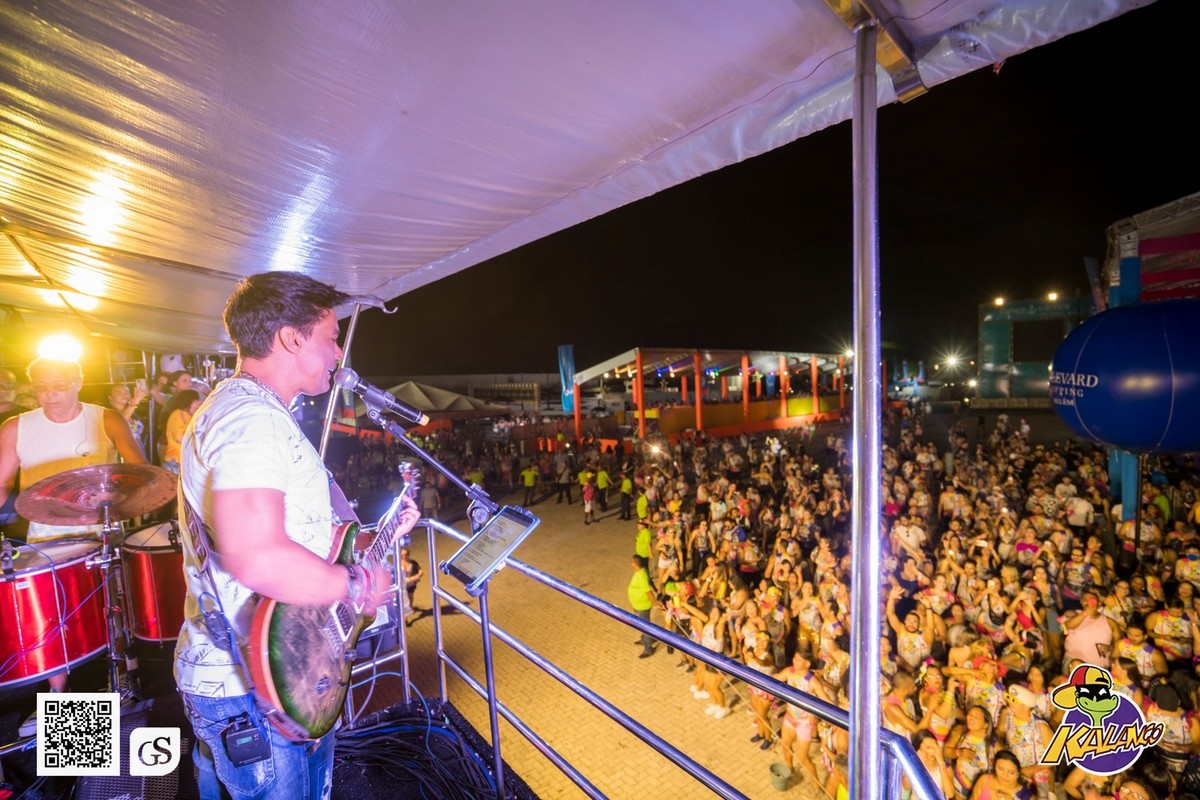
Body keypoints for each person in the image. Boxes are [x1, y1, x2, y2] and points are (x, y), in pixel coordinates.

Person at [173, 271, 418, 800]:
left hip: (279, 675)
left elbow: (295, 537)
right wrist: (356, 586)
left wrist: (375, 537)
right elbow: (259, 556)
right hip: (252, 688)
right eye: (331, 337)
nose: (339, 354)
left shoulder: (256, 413)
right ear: (290, 338)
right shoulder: (250, 419)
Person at [0, 356, 147, 734]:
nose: (49, 395)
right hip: (47, 541)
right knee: (52, 623)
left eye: (59, 386)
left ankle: (124, 687)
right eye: (41, 388)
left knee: (111, 614)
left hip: (99, 535)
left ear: (78, 382)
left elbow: (140, 473)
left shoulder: (106, 419)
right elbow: (1, 483)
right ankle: (61, 703)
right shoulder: (16, 427)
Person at [161, 389, 201, 474]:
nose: (199, 403)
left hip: (183, 463)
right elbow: (179, 437)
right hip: (176, 463)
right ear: (186, 401)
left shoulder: (190, 417)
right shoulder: (178, 414)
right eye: (195, 400)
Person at [628, 554, 657, 658]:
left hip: (642, 606)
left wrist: (655, 603)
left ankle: (648, 649)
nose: (630, 563)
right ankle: (644, 639)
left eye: (631, 561)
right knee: (640, 624)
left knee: (645, 626)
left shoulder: (641, 576)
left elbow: (648, 592)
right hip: (637, 605)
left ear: (634, 564)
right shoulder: (639, 571)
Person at [399, 546, 424, 626]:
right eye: (402, 555)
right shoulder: (398, 563)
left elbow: (421, 571)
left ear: (408, 554)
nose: (404, 556)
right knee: (404, 601)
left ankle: (411, 606)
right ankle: (405, 618)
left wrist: (414, 577)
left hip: (411, 585)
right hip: (402, 586)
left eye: (406, 554)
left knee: (410, 597)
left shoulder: (413, 563)